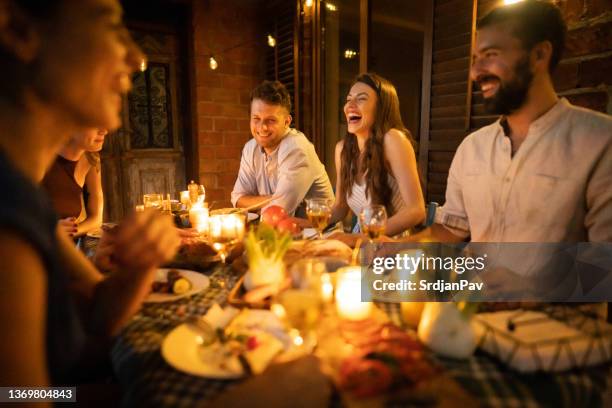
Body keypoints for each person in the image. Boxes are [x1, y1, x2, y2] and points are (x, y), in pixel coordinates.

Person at [0, 0, 179, 391]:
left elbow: (100, 310)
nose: (135, 57)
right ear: (18, 30)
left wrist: (141, 263)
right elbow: (22, 395)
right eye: (109, 24)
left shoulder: (23, 197)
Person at [409, 0, 612, 244]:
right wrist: (392, 248)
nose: (476, 72)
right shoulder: (472, 147)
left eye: (490, 55)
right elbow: (452, 229)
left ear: (539, 55)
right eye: (475, 59)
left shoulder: (600, 143)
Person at [329, 73, 425, 237]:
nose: (350, 106)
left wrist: (359, 239)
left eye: (361, 99)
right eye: (348, 99)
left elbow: (416, 211)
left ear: (381, 107)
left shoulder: (393, 140)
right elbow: (340, 207)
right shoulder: (342, 149)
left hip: (392, 246)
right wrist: (301, 224)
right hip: (362, 242)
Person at [231, 80, 334, 216]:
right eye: (256, 118)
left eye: (271, 120)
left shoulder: (296, 148)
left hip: (321, 232)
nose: (262, 127)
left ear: (287, 122)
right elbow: (237, 199)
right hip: (285, 231)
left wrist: (259, 203)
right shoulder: (251, 148)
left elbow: (279, 211)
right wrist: (272, 199)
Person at [42, 128, 107, 238]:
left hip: (66, 246)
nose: (104, 131)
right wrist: (46, 229)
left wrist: (69, 232)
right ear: (71, 124)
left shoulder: (91, 158)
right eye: (94, 123)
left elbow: (96, 218)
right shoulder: (41, 158)